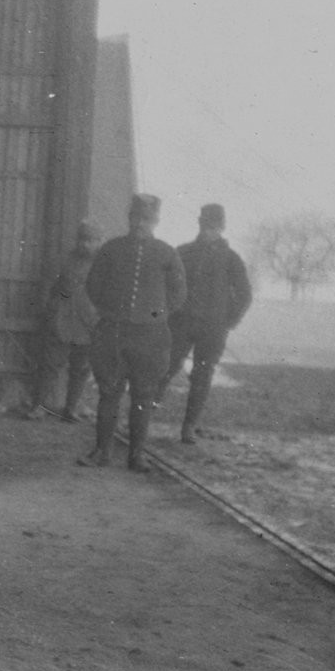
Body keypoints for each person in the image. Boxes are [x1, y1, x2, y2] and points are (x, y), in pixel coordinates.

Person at [79, 194, 187, 473]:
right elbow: (94, 286)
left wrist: (155, 315)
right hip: (113, 333)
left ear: (156, 221)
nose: (141, 224)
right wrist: (111, 311)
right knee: (109, 392)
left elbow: (178, 294)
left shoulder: (167, 253)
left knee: (143, 396)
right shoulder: (111, 250)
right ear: (129, 218)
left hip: (150, 338)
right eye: (136, 218)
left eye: (147, 219)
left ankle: (136, 456)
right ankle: (101, 451)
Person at [161, 203, 252, 443]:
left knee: (202, 376)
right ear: (199, 224)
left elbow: (244, 294)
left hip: (212, 329)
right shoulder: (183, 252)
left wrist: (227, 321)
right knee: (165, 367)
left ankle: (189, 427)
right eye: (204, 225)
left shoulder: (231, 259)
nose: (208, 231)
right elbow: (167, 285)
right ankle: (141, 417)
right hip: (181, 324)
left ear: (221, 228)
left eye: (213, 227)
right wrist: (170, 312)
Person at [22, 219, 101, 422]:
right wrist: (48, 313)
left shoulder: (103, 265)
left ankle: (71, 409)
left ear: (99, 241)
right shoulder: (61, 260)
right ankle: (38, 406)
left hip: (88, 323)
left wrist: (100, 319)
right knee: (49, 366)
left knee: (81, 369)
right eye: (83, 239)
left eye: (91, 240)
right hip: (60, 321)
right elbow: (46, 288)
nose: (86, 244)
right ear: (77, 240)